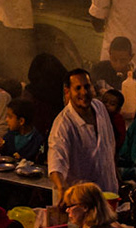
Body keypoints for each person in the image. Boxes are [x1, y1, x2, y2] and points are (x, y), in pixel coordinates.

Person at [48, 68, 118, 202]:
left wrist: (116, 175)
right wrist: (61, 189)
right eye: (78, 88)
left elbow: (109, 147)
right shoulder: (63, 125)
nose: (84, 92)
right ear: (67, 91)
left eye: (87, 87)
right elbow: (56, 162)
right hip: (81, 202)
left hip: (108, 196)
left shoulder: (100, 108)